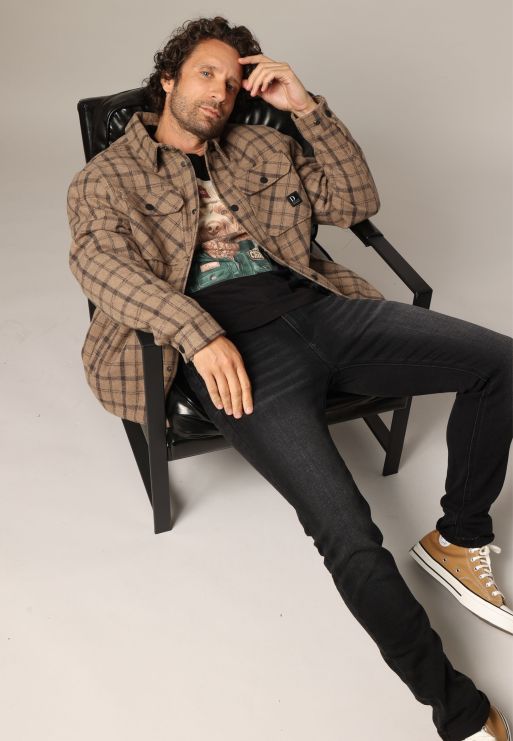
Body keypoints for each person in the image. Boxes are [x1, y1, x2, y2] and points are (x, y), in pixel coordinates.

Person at [66, 16, 512, 741]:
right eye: (205, 73)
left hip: (322, 309)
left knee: (500, 361)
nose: (220, 92)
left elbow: (355, 203)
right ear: (167, 80)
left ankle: (458, 539)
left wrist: (306, 108)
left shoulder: (262, 144)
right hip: (236, 354)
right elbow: (99, 264)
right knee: (347, 531)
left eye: (232, 81)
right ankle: (457, 711)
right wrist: (197, 331)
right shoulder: (106, 177)